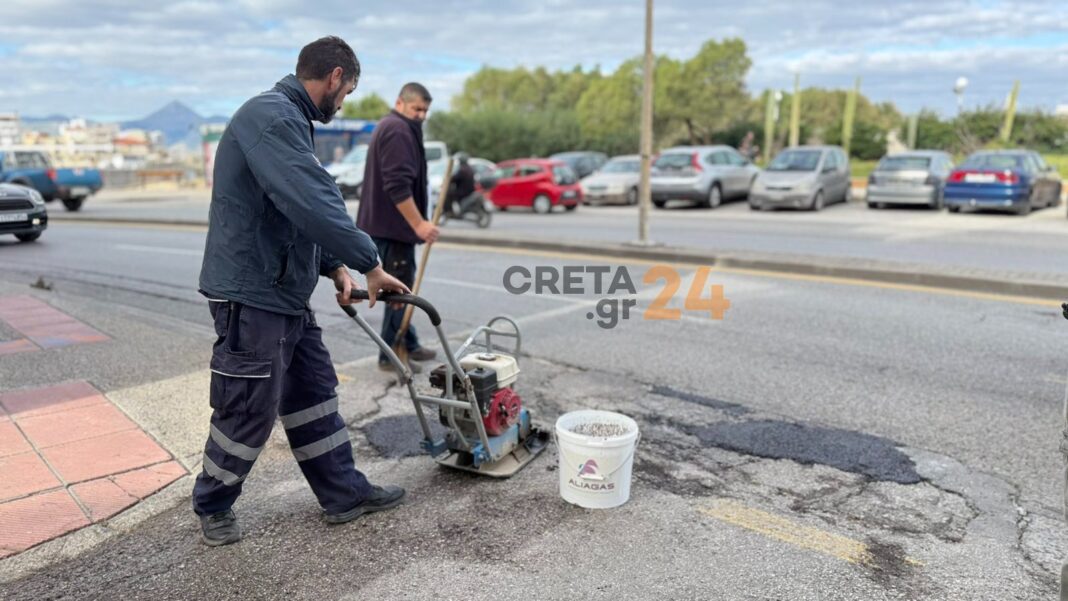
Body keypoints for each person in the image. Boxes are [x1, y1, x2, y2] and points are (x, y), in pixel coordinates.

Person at [195, 36, 411, 547]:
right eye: (349, 90)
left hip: (284, 294)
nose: (345, 102)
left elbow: (291, 213)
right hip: (251, 296)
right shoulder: (271, 118)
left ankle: (344, 494)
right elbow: (312, 202)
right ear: (334, 77)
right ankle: (213, 501)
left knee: (314, 395)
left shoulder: (289, 122)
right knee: (248, 407)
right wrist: (369, 264)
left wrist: (334, 266)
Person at [356, 82, 440, 373]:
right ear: (400, 103)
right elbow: (397, 185)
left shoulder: (396, 127)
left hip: (388, 227)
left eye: (425, 111)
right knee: (398, 292)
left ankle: (410, 342)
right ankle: (390, 357)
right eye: (417, 109)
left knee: (400, 287)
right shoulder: (398, 130)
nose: (421, 115)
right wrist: (418, 224)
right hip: (391, 229)